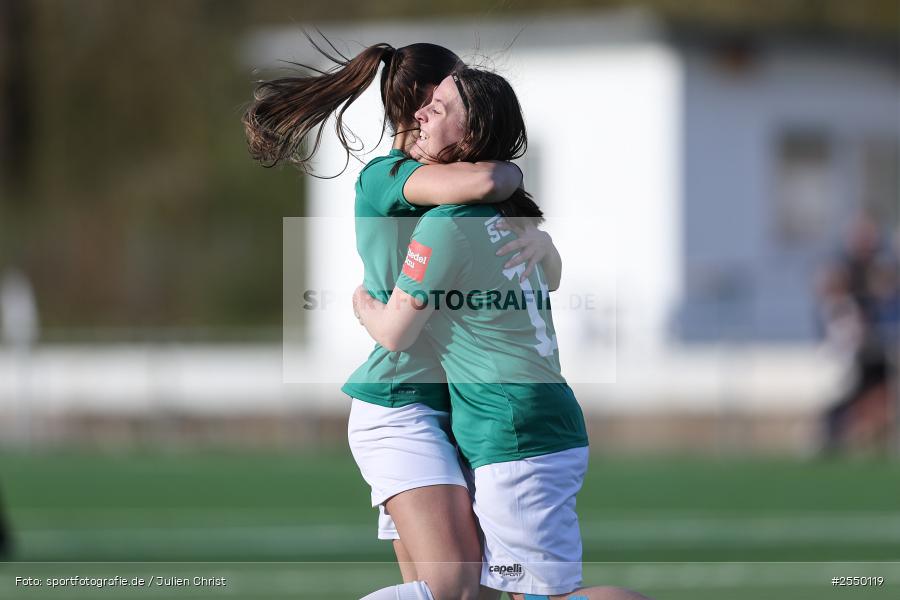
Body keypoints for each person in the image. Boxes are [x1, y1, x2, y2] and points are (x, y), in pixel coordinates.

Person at [244, 39, 558, 600]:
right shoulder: (390, 176)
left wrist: (540, 241)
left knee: (466, 593)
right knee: (454, 586)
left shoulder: (457, 195)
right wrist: (511, 167)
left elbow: (529, 262)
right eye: (450, 96)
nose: (460, 103)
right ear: (422, 104)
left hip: (460, 406)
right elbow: (488, 182)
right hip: (402, 400)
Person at [354, 68, 650, 600]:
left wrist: (362, 303)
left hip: (510, 428)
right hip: (531, 419)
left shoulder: (446, 225)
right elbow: (549, 271)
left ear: (469, 137)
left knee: (537, 598)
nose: (422, 113)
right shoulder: (511, 217)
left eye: (439, 107)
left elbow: (396, 332)